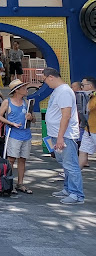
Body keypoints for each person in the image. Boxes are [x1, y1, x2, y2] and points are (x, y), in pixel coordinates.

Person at [43, 68, 84, 204]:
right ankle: (68, 189)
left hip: (65, 135)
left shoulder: (64, 92)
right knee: (65, 164)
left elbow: (66, 115)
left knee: (71, 164)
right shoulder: (60, 91)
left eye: (44, 79)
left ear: (50, 77)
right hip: (58, 134)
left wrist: (60, 137)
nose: (45, 83)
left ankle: (76, 194)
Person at [0, 79, 35, 194]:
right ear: (17, 90)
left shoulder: (26, 102)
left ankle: (20, 183)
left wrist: (31, 118)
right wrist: (10, 123)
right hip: (13, 134)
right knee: (11, 159)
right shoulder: (7, 102)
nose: (26, 90)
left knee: (23, 159)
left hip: (26, 134)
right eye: (24, 88)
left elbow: (34, 119)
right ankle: (8, 183)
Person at [78, 77, 96, 168]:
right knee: (83, 150)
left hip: (95, 130)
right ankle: (74, 174)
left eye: (83, 85)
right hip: (88, 129)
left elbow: (88, 109)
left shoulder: (93, 97)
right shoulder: (89, 96)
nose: (81, 87)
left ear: (90, 86)